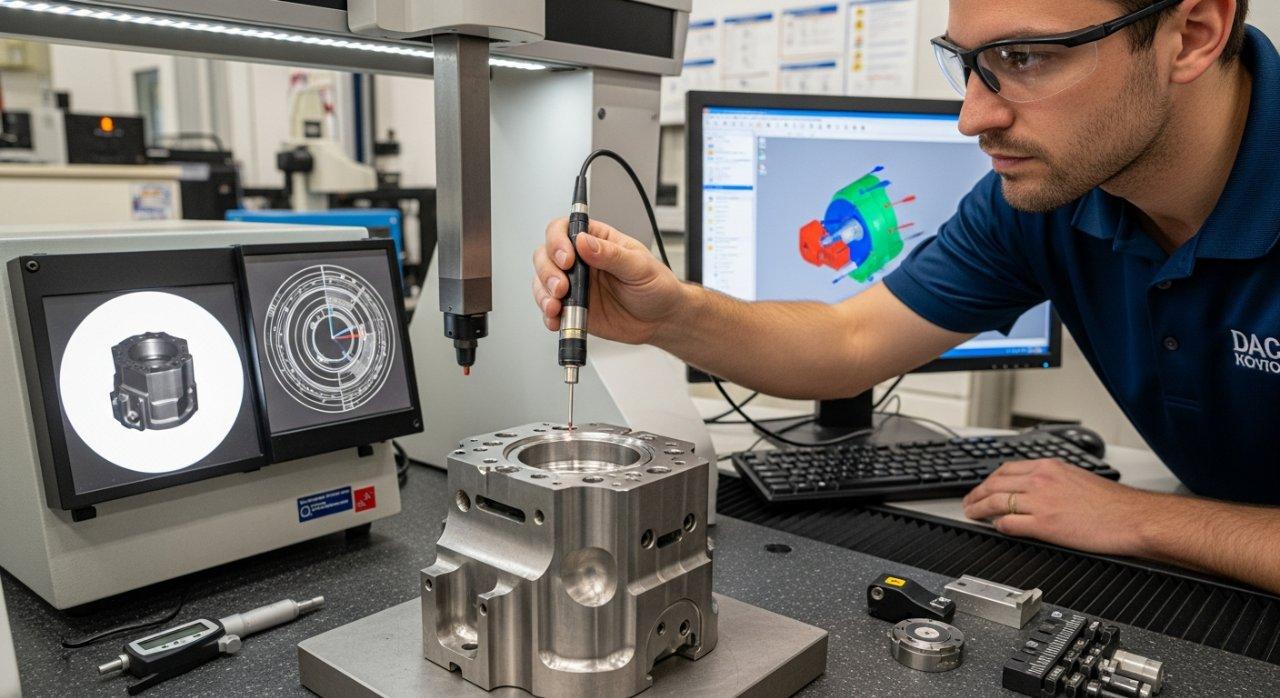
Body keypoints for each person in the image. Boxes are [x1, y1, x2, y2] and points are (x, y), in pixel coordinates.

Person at [530, 0, 1280, 593]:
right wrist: (671, 313)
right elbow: (849, 342)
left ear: (1192, 34)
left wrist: (1145, 519)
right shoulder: (1051, 202)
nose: (973, 118)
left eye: (1024, 58)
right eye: (969, 64)